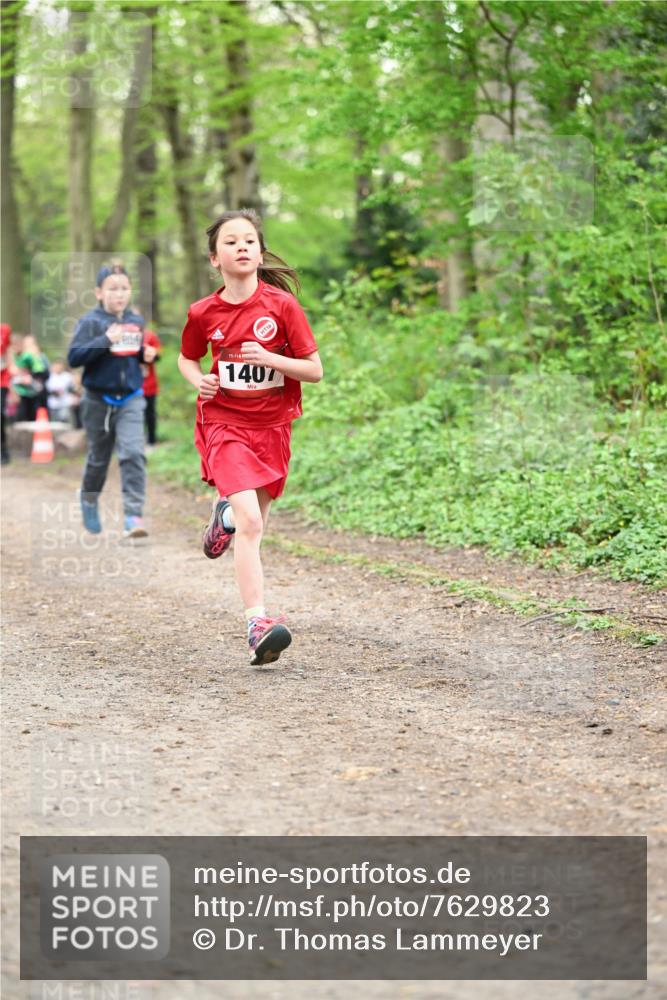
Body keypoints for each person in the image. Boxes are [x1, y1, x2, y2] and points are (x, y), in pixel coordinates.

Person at [178, 209, 323, 665]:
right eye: (230, 242)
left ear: (260, 254)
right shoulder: (203, 312)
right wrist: (197, 379)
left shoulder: (282, 307)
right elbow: (186, 358)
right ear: (214, 259)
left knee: (250, 527)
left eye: (249, 241)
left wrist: (271, 359)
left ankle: (224, 519)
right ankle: (257, 623)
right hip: (224, 424)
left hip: (272, 428)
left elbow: (314, 371)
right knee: (253, 522)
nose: (241, 247)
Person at [67, 263, 156, 538]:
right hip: (97, 400)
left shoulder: (136, 320)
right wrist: (105, 339)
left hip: (131, 397)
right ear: (98, 292)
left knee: (132, 453)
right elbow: (74, 357)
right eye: (113, 289)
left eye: (124, 288)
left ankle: (133, 515)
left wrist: (144, 354)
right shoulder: (90, 322)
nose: (119, 294)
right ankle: (89, 499)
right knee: (99, 459)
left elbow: (128, 354)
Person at [14, 334, 50, 422]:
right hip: (24, 393)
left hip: (38, 393)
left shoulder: (41, 357)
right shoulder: (20, 357)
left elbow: (46, 374)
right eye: (26, 344)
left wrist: (33, 378)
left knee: (39, 415)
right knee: (24, 416)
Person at [141, 328, 162, 447]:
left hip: (149, 384)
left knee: (150, 413)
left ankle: (152, 441)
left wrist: (149, 354)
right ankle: (138, 440)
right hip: (129, 386)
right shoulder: (120, 335)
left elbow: (158, 356)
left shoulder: (149, 335)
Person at [46, 359, 76, 424]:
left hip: (65, 403)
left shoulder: (67, 376)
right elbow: (46, 389)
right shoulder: (49, 376)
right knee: (54, 423)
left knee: (65, 422)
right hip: (53, 404)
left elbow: (72, 388)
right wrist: (54, 392)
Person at [0, 323, 13, 464]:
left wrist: (10, 367)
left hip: (1, 380)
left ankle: (3, 450)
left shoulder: (4, 329)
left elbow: (7, 352)